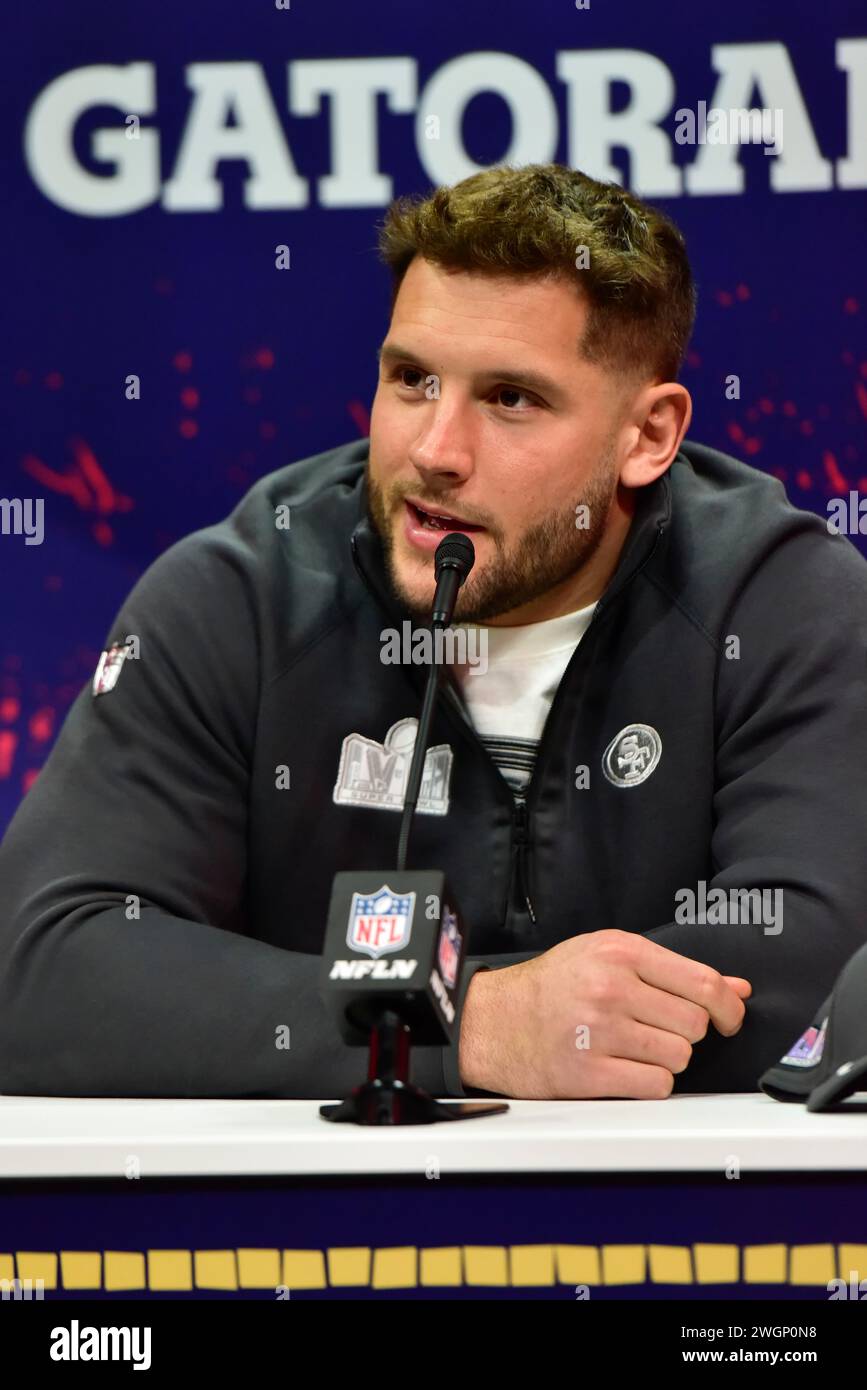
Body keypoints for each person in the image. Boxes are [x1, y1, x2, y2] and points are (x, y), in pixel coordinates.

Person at [1, 162, 865, 1102]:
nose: (433, 453)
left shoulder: (779, 601)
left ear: (647, 436)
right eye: (411, 379)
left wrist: (523, 1024)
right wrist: (473, 1022)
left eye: (511, 399)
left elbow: (823, 962)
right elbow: (43, 965)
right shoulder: (240, 598)